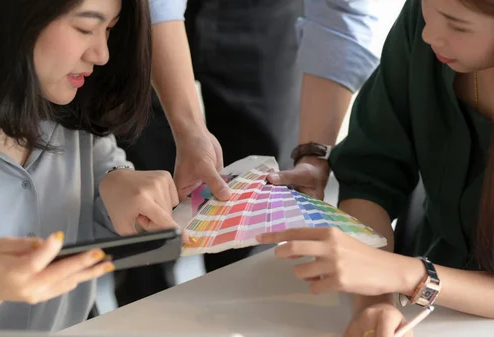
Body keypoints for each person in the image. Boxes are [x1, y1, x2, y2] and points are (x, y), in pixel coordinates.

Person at [0, 0, 185, 336]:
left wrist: (116, 183)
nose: (101, 54)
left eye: (109, 29)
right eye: (85, 28)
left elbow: (102, 185)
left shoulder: (70, 100)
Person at [114, 0, 396, 306]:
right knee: (142, 207)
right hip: (141, 11)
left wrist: (313, 155)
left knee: (259, 207)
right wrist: (189, 128)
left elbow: (342, 13)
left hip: (264, 16)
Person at [257, 0, 494, 336]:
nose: (429, 35)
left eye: (457, 25)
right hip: (424, 307)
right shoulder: (426, 25)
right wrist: (375, 302)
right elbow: (370, 174)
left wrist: (404, 275)